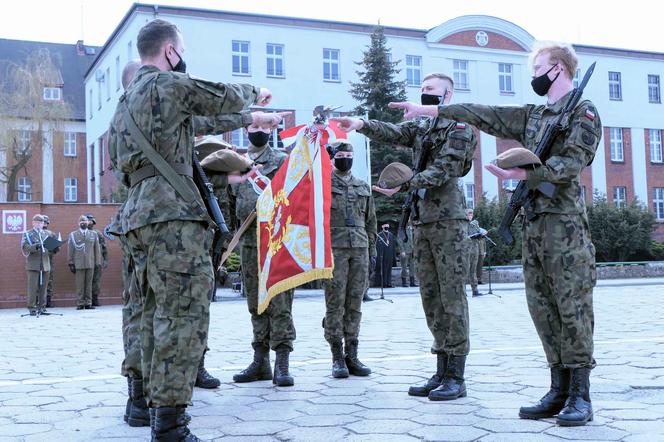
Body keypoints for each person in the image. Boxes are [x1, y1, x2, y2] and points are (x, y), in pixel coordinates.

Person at [389, 42, 601, 426]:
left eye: (538, 66)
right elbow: (485, 114)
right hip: (535, 223)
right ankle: (557, 388)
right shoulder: (535, 114)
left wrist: (525, 174)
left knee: (572, 307)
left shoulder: (583, 113)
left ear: (557, 68)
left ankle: (580, 394)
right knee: (542, 308)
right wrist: (432, 109)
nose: (533, 74)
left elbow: (571, 163)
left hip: (565, 225)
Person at [108, 19, 274, 440]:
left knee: (146, 314)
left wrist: (254, 118)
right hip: (174, 220)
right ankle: (171, 426)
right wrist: (255, 93)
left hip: (138, 217)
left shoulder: (124, 105)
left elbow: (194, 125)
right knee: (181, 316)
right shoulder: (167, 86)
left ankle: (142, 404)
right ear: (169, 52)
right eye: (180, 51)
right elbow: (218, 95)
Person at [333, 71, 477, 402]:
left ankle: (456, 375)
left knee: (451, 296)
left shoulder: (459, 127)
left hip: (449, 221)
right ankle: (441, 369)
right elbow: (396, 133)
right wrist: (361, 125)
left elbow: (445, 170)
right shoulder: (423, 128)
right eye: (422, 89)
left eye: (431, 90)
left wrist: (405, 184)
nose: (424, 93)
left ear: (447, 96)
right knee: (430, 296)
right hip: (422, 221)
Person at [229, 121, 297, 387]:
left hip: (277, 239)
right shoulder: (236, 161)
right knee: (256, 301)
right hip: (247, 240)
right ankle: (260, 361)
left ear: (271, 131)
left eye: (265, 127)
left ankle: (282, 361)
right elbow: (229, 200)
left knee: (280, 299)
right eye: (254, 126)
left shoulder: (282, 160)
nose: (260, 130)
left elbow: (295, 196)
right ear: (246, 130)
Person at [323, 140, 377, 378]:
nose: (345, 158)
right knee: (335, 303)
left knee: (355, 303)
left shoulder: (363, 186)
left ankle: (352, 354)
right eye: (341, 154)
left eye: (348, 154)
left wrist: (372, 251)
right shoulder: (323, 185)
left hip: (360, 248)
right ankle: (336, 356)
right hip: (334, 249)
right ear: (332, 158)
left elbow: (371, 221)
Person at [67, 215, 101, 310]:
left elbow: (97, 249)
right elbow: (70, 249)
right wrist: (70, 262)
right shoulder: (73, 235)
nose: (83, 223)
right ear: (78, 223)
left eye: (85, 221)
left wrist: (98, 262)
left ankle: (88, 302)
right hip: (79, 263)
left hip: (90, 262)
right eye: (81, 221)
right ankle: (80, 303)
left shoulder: (93, 234)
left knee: (89, 284)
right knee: (80, 284)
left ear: (88, 222)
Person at [21, 214, 51, 315]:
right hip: (33, 264)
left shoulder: (47, 233)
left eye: (41, 222)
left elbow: (49, 249)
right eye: (37, 222)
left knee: (43, 287)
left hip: (45, 263)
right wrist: (35, 246)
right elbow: (25, 247)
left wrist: (55, 247)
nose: (39, 224)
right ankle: (32, 307)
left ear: (43, 224)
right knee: (33, 287)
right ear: (33, 223)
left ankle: (42, 307)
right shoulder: (28, 234)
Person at [86, 214, 108, 307]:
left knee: (96, 280)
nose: (90, 223)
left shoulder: (98, 233)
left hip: (97, 261)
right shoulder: (81, 233)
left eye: (91, 221)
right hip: (86, 261)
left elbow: (104, 247)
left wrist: (106, 259)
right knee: (86, 280)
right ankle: (86, 300)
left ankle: (95, 298)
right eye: (88, 221)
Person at [465, 209, 485, 297]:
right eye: (469, 214)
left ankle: (475, 290)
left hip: (475, 248)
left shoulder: (475, 224)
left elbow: (479, 235)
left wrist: (481, 235)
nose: (470, 215)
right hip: (466, 249)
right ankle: (463, 291)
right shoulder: (463, 224)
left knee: (473, 270)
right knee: (465, 270)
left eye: (471, 214)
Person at [42, 215, 60, 308]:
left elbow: (56, 249)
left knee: (49, 280)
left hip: (49, 260)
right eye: (43, 222)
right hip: (38, 261)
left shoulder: (51, 234)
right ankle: (39, 300)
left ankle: (48, 301)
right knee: (38, 281)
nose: (44, 224)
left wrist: (56, 245)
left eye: (46, 222)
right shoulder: (35, 233)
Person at [373, 223, 396, 288]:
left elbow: (393, 246)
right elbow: (377, 246)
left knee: (389, 269)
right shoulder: (379, 235)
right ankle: (384, 283)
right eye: (385, 225)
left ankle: (389, 283)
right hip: (382, 255)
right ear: (382, 226)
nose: (386, 227)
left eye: (387, 225)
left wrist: (393, 255)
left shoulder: (391, 235)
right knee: (383, 269)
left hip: (390, 255)